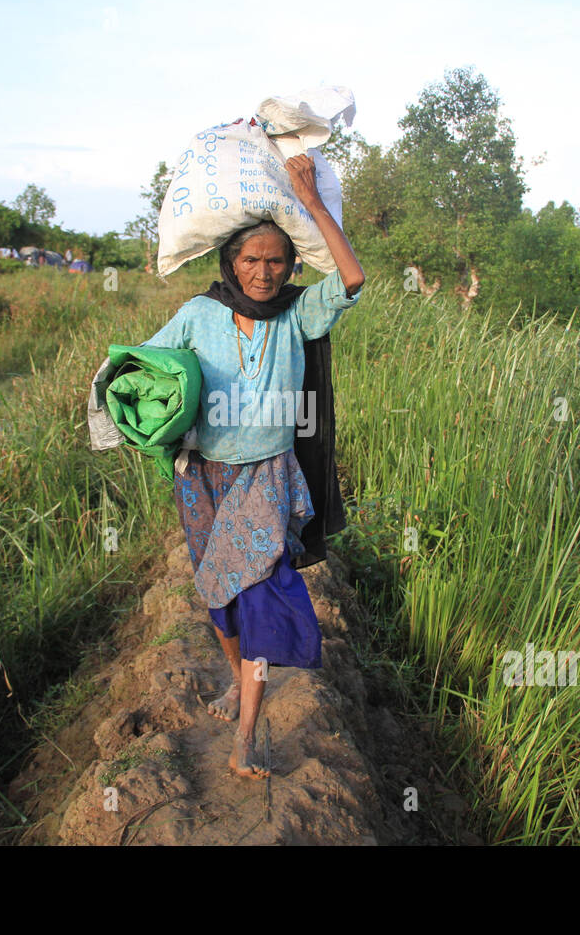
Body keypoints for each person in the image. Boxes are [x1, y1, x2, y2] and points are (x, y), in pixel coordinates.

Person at [139, 153, 364, 779]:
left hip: (266, 475)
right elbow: (148, 371)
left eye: (276, 261)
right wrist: (123, 401)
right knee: (219, 594)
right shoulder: (197, 314)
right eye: (251, 260)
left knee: (262, 595)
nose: (263, 273)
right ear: (230, 265)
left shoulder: (298, 313)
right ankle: (239, 679)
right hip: (203, 476)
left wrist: (311, 202)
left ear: (291, 264)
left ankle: (247, 735)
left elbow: (351, 278)